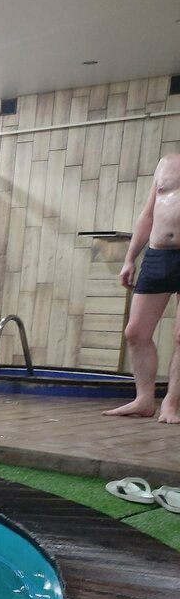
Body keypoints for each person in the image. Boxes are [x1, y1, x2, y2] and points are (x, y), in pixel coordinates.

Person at [104, 153, 180, 423]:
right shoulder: (166, 163)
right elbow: (148, 215)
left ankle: (171, 403)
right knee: (135, 331)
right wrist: (129, 259)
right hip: (158, 254)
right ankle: (144, 399)